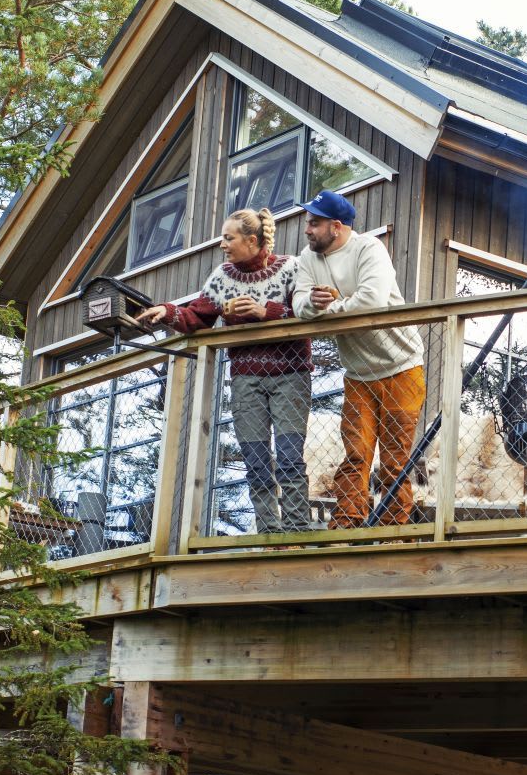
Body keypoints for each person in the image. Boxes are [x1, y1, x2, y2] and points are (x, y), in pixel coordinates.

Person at [137, 208, 311, 534]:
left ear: (252, 240)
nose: (222, 244)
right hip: (246, 380)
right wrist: (167, 311)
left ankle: (298, 530)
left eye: (228, 238)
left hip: (290, 375)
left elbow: (306, 313)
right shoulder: (222, 277)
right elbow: (197, 316)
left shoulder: (290, 268)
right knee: (256, 462)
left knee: (289, 458)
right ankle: (270, 533)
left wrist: (264, 311)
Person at [292, 189, 425, 527]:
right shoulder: (308, 259)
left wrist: (330, 308)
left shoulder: (368, 248)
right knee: (356, 454)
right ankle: (347, 521)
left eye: (314, 223)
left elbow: (372, 301)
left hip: (402, 366)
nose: (307, 230)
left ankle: (395, 528)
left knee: (395, 459)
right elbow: (299, 305)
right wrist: (314, 305)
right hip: (357, 374)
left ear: (336, 226)